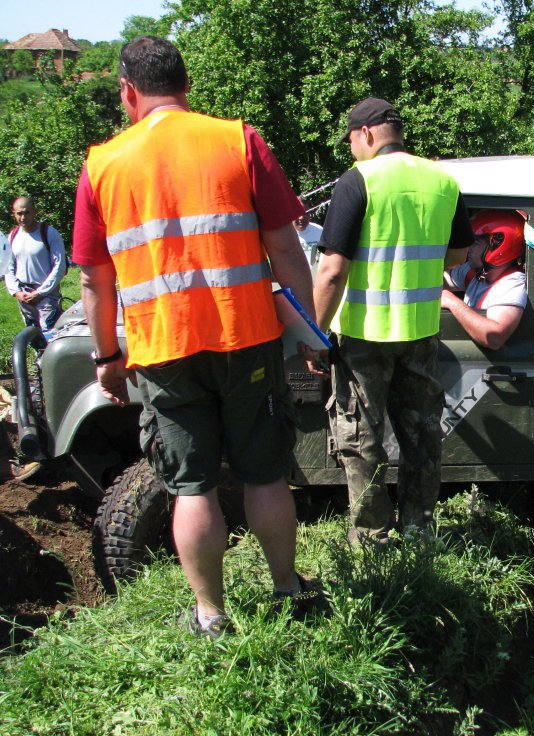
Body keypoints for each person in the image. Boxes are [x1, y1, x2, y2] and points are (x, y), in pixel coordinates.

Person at [73, 37, 320, 639]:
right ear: (184, 85)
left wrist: (107, 356)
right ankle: (288, 590)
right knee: (265, 474)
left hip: (164, 352)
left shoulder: (101, 164)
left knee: (192, 485)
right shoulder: (238, 139)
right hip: (247, 336)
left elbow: (93, 280)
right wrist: (313, 334)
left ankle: (210, 614)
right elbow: (286, 247)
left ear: (129, 91)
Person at [312, 97, 472, 546]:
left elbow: (331, 270)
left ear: (365, 134)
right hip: (420, 330)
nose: (352, 151)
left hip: (362, 335)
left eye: (351, 142)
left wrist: (313, 330)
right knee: (421, 433)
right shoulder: (443, 181)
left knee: (362, 437)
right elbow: (459, 255)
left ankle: (374, 537)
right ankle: (420, 530)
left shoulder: (358, 180)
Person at [441, 210, 527, 350]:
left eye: (474, 242)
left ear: (497, 244)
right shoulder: (475, 272)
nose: (468, 248)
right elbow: (442, 280)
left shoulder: (512, 284)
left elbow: (494, 337)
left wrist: (451, 302)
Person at [6, 196, 67, 343]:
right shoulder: (13, 237)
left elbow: (60, 267)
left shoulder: (49, 233)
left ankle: (52, 364)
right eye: (19, 213)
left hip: (46, 296)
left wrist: (40, 292)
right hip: (24, 296)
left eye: (27, 213)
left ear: (34, 212)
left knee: (51, 336)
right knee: (32, 335)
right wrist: (16, 291)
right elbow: (8, 267)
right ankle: (37, 364)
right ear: (13, 214)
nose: (23, 217)